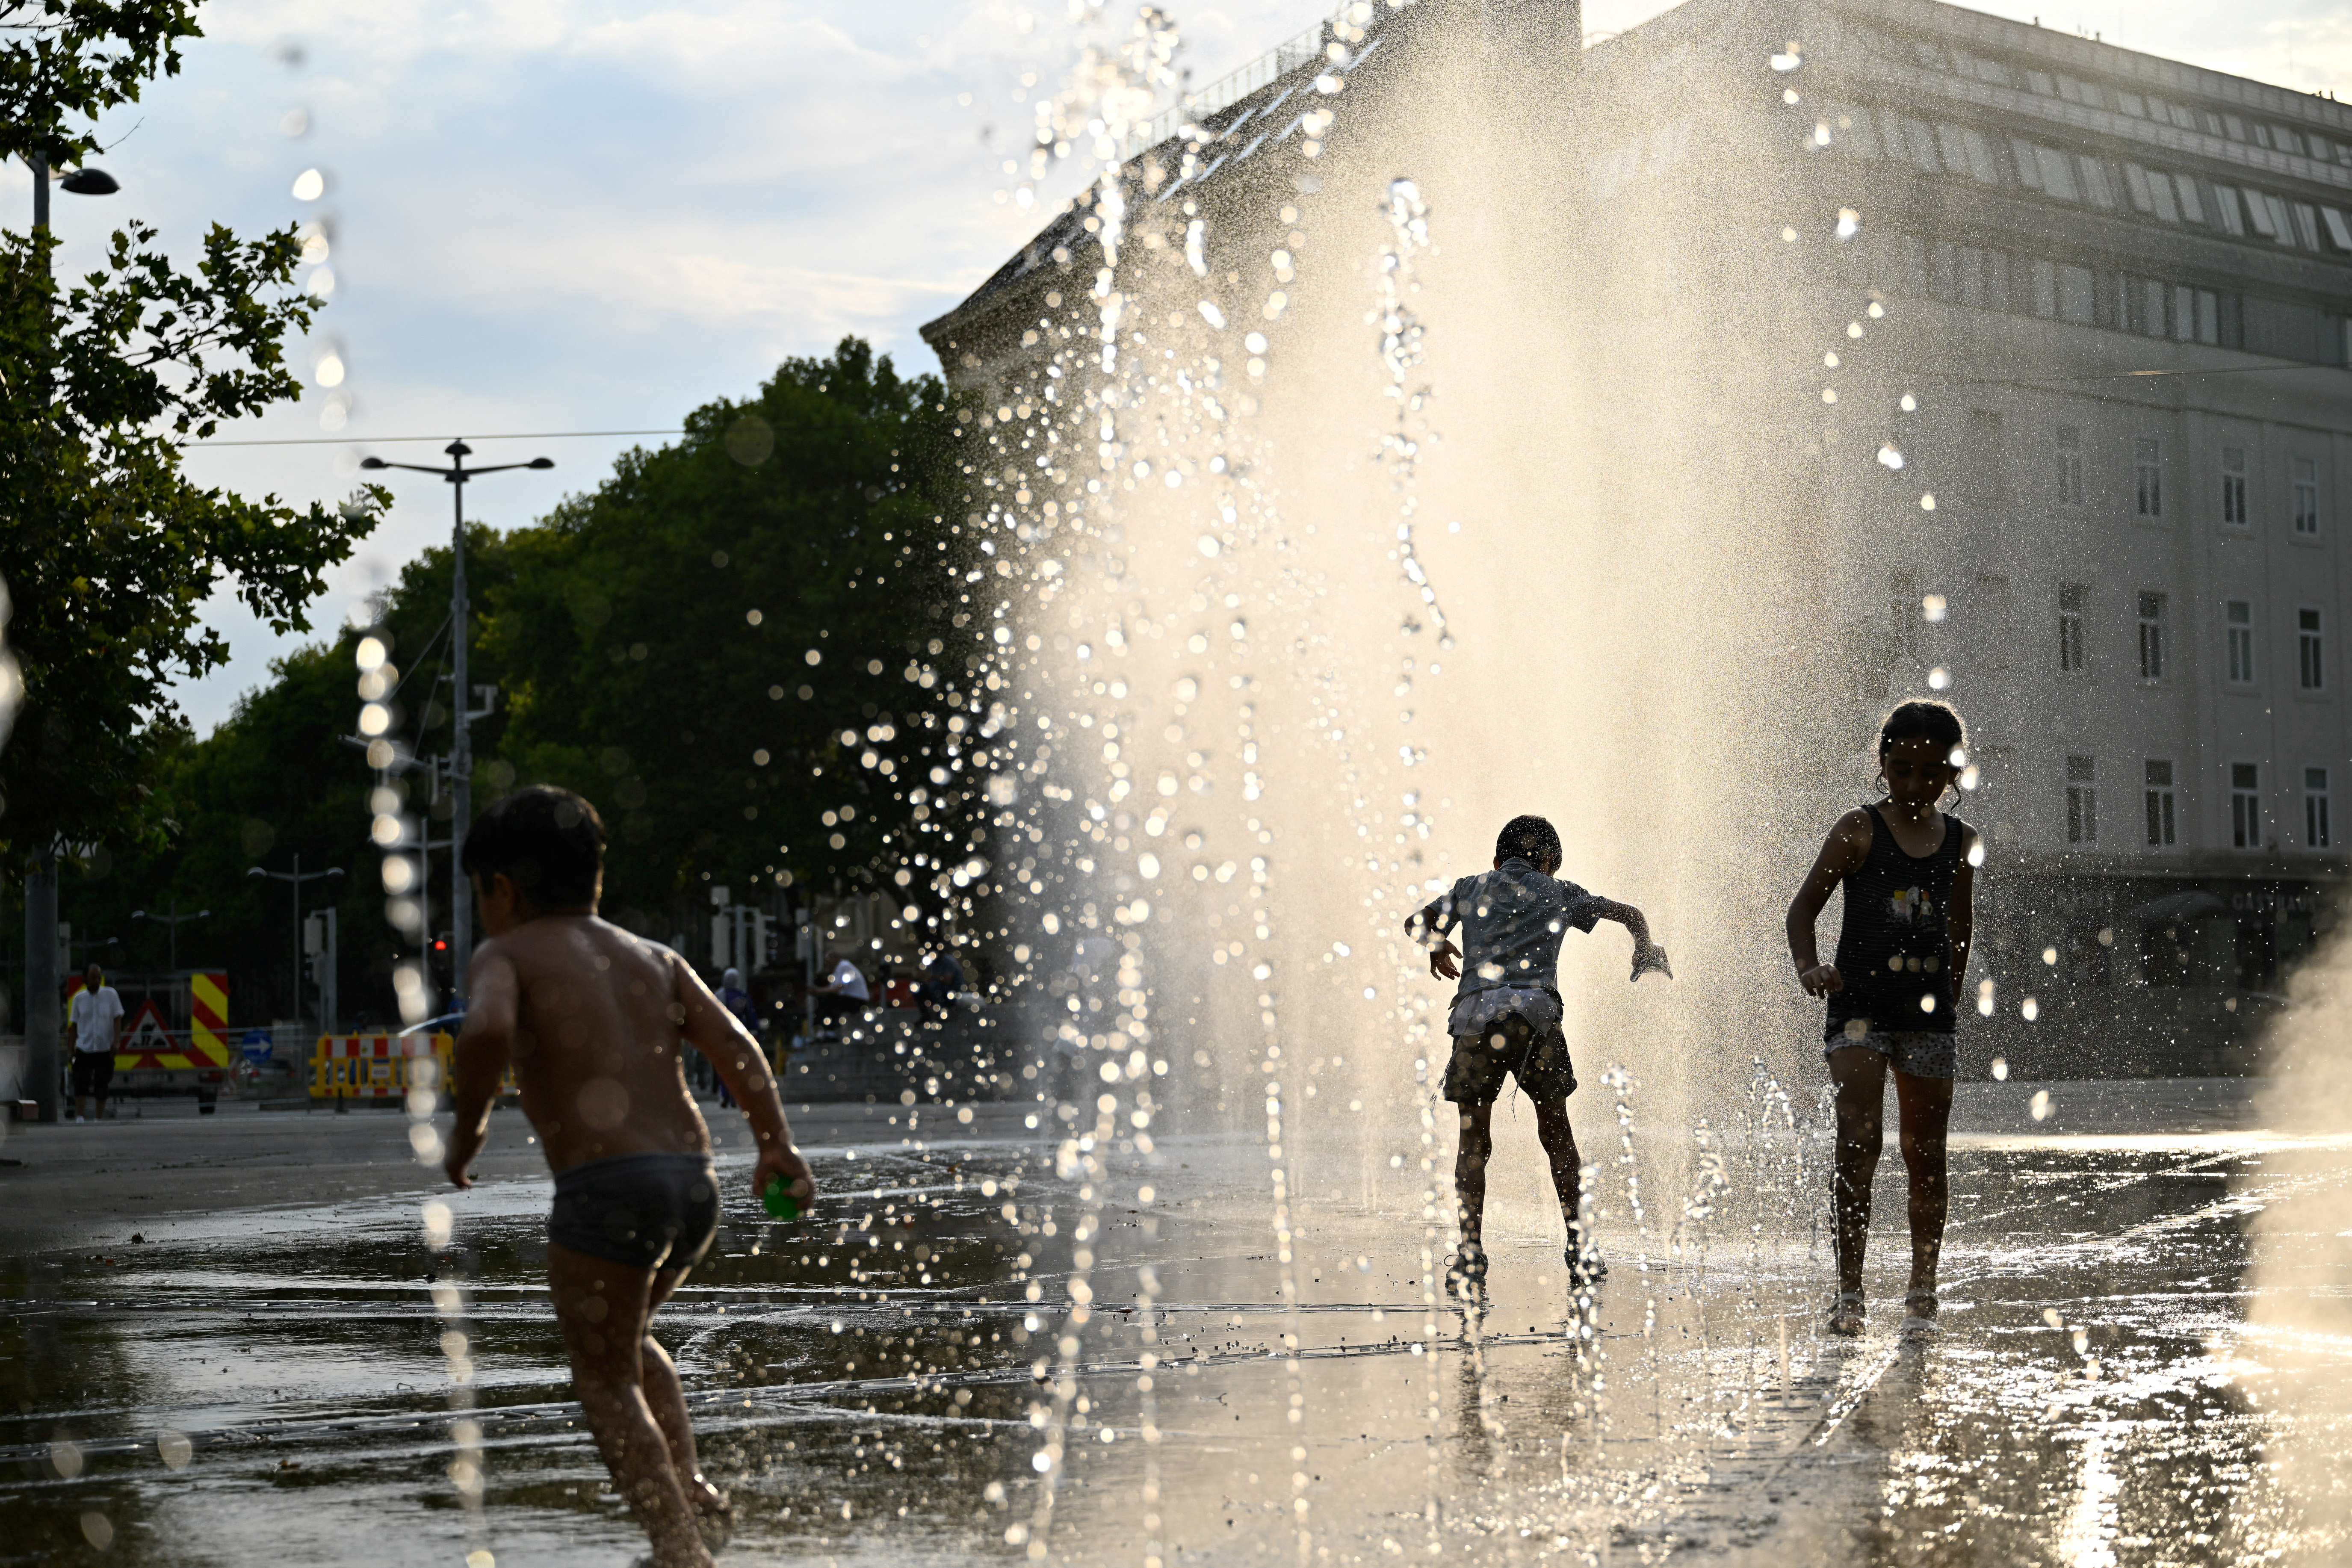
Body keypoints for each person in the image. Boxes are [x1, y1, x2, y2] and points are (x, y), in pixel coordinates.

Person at [441, 786, 815, 1568]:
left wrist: (470, 1122)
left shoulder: (507, 954)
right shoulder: (655, 958)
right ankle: (694, 1494)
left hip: (607, 1191)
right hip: (693, 1184)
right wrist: (775, 1145)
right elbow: (736, 1045)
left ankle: (677, 1548)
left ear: (501, 888)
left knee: (604, 1377)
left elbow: (488, 1027)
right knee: (630, 1339)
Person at [1407, 815, 1669, 1297]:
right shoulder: (1561, 892)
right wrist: (1645, 947)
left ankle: (1470, 1253)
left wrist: (1438, 943)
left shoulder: (1469, 888)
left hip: (1476, 1022)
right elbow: (1630, 914)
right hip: (1536, 1023)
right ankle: (1579, 1248)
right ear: (1548, 861)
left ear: (1497, 860)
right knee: (1557, 1136)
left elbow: (1416, 923)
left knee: (1473, 1144)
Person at [1785, 700, 1977, 1342]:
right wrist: (1810, 967)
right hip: (1859, 1013)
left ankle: (1923, 1291)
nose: (1915, 784)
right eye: (1901, 769)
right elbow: (1802, 910)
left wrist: (1948, 999)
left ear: (1952, 773)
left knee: (1926, 1155)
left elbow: (1960, 927)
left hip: (1928, 1020)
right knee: (1858, 1142)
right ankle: (1850, 1291)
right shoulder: (1858, 829)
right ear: (1883, 763)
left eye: (1931, 773)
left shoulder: (1962, 842)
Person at [68, 963, 124, 1124]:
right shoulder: (79, 999)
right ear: (85, 979)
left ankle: (98, 1119)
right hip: (84, 1047)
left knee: (102, 1084)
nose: (97, 981)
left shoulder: (111, 995)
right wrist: (71, 1050)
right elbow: (74, 1026)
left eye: (99, 977)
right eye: (93, 978)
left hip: (104, 1048)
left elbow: (117, 1019)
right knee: (80, 1083)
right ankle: (80, 1117)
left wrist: (116, 1042)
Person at [711, 969, 754, 1109]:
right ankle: (735, 1095)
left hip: (723, 1035)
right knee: (739, 1066)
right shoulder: (742, 995)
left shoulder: (719, 995)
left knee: (724, 1066)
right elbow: (751, 1016)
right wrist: (754, 1031)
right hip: (739, 1035)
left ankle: (725, 1093)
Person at [807, 949, 870, 1040]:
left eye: (829, 961)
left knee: (828, 1000)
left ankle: (830, 1031)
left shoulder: (844, 966)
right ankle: (825, 1031)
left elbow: (838, 988)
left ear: (836, 959)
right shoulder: (838, 970)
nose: (828, 964)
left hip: (859, 1001)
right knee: (825, 1001)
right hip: (850, 999)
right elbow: (832, 988)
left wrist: (818, 990)